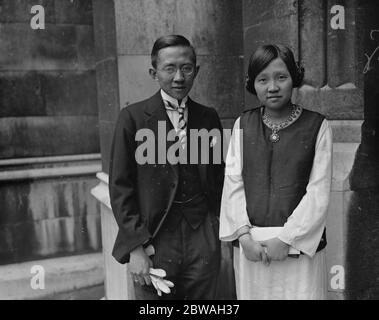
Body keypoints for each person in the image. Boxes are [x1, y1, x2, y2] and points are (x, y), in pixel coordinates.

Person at [109, 35, 224, 300]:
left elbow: (217, 179)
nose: (179, 77)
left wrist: (215, 231)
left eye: (186, 68)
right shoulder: (133, 118)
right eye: (169, 68)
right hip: (155, 238)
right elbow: (120, 187)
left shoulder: (208, 117)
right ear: (154, 72)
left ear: (196, 70)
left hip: (202, 239)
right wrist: (136, 247)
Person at [219, 44, 333, 299]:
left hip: (299, 247)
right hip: (253, 248)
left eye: (281, 77)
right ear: (253, 83)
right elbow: (233, 182)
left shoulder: (318, 126)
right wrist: (244, 237)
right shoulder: (243, 124)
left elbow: (318, 191)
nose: (272, 87)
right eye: (263, 79)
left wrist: (286, 240)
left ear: (294, 78)